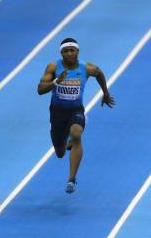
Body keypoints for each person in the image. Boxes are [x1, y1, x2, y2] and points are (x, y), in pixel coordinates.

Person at [37, 38, 115, 194]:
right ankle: (66, 142)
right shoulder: (53, 67)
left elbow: (99, 73)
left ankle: (71, 180)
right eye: (66, 51)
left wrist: (105, 93)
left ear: (78, 52)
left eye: (72, 50)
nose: (69, 53)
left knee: (76, 134)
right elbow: (40, 89)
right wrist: (55, 82)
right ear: (61, 53)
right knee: (59, 153)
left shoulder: (86, 68)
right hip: (57, 113)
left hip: (76, 110)